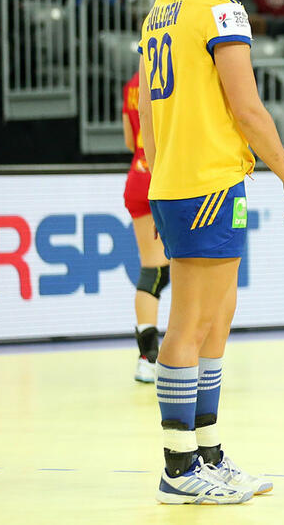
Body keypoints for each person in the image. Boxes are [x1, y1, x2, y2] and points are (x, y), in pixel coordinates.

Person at [137, 0, 284, 504]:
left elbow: (148, 117)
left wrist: (163, 177)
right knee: (190, 328)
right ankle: (178, 468)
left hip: (190, 182)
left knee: (215, 325)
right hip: (206, 182)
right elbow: (248, 108)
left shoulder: (160, 11)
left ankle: (207, 452)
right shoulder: (219, 9)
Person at [121, 70, 169, 384]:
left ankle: (147, 358)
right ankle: (183, 358)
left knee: (153, 270)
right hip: (167, 178)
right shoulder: (173, 76)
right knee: (188, 270)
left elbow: (129, 140)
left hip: (138, 175)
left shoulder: (132, 85)